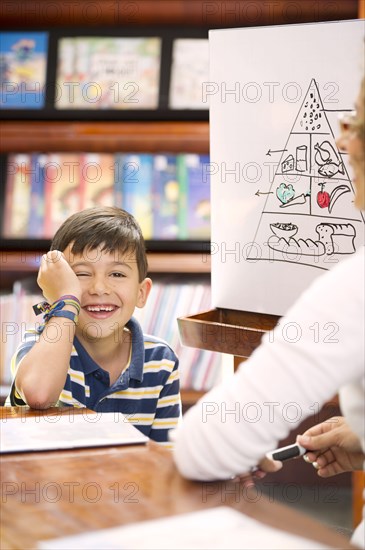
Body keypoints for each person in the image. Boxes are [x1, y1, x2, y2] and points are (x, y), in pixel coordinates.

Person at [173, 76, 365, 548]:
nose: (341, 138)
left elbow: (204, 449)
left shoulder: (354, 285)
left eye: (356, 120)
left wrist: (235, 438)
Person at [7, 206, 181, 446]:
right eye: (81, 274)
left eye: (117, 274)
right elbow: (39, 395)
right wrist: (66, 301)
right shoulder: (40, 345)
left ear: (142, 293)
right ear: (56, 288)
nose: (99, 288)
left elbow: (166, 458)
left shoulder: (161, 360)